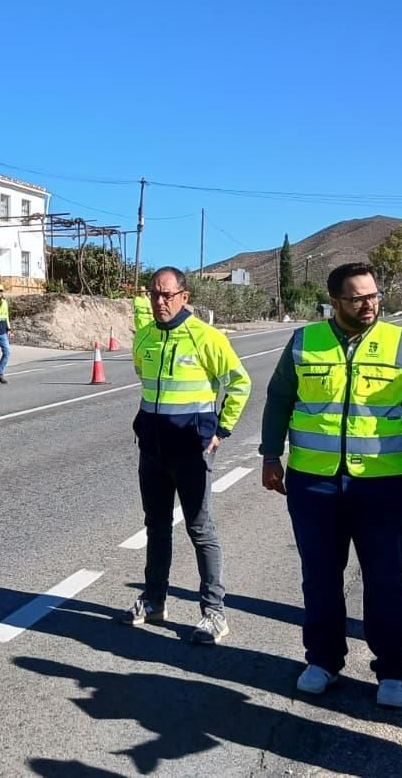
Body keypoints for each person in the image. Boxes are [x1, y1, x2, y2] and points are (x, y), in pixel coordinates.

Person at [258, 262, 402, 710]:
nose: (369, 304)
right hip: (314, 483)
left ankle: (393, 669)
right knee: (319, 578)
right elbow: (280, 398)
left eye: (374, 295)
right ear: (335, 302)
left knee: (385, 581)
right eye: (358, 297)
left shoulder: (401, 343)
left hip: (384, 485)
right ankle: (322, 660)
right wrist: (269, 455)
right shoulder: (305, 342)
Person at [121, 266, 251, 644]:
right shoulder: (144, 337)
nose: (160, 301)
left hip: (191, 453)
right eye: (154, 294)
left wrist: (221, 430)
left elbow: (240, 383)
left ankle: (214, 613)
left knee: (200, 529)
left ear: (184, 297)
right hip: (153, 450)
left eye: (167, 295)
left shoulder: (206, 337)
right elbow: (144, 379)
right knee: (156, 526)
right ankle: (154, 601)